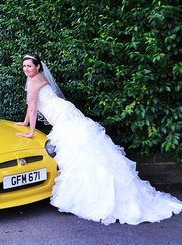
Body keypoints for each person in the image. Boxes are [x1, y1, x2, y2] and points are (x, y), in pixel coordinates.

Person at [15, 53, 182, 225]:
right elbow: (31, 106)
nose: (26, 69)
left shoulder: (34, 82)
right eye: (24, 66)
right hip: (66, 111)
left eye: (29, 66)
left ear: (38, 67)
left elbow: (34, 109)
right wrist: (25, 121)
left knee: (78, 152)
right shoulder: (37, 78)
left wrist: (30, 131)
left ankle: (93, 195)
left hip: (62, 117)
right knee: (87, 149)